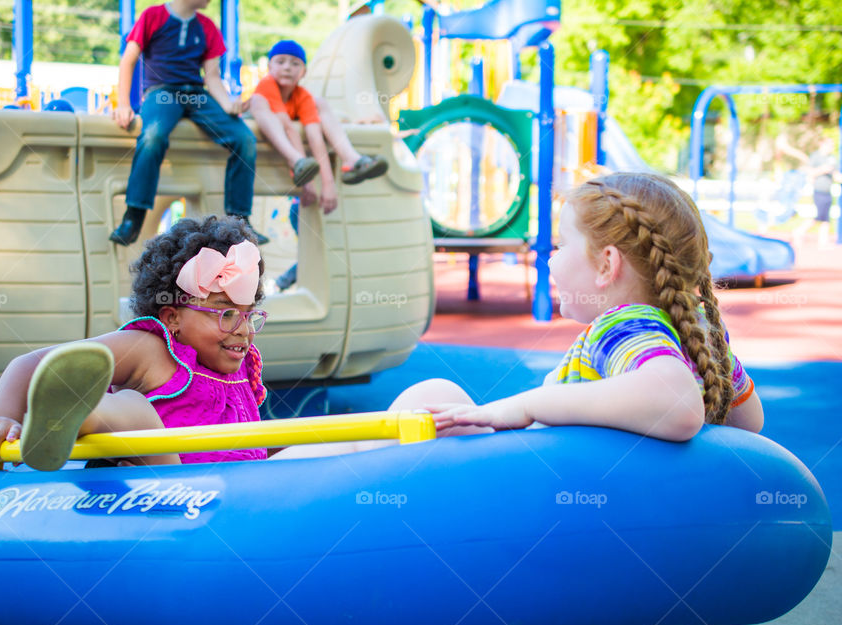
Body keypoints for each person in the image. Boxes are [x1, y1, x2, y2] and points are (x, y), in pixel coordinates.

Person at [274, 173, 763, 460]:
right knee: (441, 404)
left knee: (434, 398)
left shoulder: (625, 325)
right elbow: (749, 424)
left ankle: (279, 474)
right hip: (558, 493)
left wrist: (527, 406)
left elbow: (677, 405)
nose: (548, 257)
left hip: (531, 501)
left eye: (561, 245)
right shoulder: (697, 335)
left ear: (606, 264)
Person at [0, 216, 269, 470]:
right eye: (226, 313)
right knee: (134, 408)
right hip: (173, 483)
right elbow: (28, 365)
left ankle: (69, 412)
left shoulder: (240, 368)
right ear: (172, 318)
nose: (243, 330)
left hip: (237, 497)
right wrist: (2, 418)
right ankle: (69, 413)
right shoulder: (152, 351)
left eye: (249, 314)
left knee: (310, 446)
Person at [109, 0, 265, 246]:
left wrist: (227, 104)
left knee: (244, 138)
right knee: (152, 136)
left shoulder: (207, 27)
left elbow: (211, 76)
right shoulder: (153, 16)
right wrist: (123, 104)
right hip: (162, 91)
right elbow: (128, 60)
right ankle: (134, 214)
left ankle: (240, 217)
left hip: (197, 93)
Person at [248, 39, 389, 215]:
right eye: (280, 61)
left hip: (300, 149)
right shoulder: (267, 86)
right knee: (257, 101)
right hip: (273, 139)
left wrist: (328, 185)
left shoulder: (303, 96)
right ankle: (297, 161)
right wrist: (306, 179)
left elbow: (315, 137)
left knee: (320, 103)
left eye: (295, 64)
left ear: (304, 72)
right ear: (269, 67)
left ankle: (351, 159)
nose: (287, 67)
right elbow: (288, 128)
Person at [793, 138, 839, 247]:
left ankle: (823, 241)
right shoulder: (815, 156)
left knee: (826, 218)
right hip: (818, 190)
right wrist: (821, 170)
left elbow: (836, 175)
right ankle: (798, 232)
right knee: (818, 217)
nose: (832, 147)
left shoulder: (832, 158)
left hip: (828, 191)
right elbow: (809, 173)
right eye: (830, 145)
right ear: (823, 144)